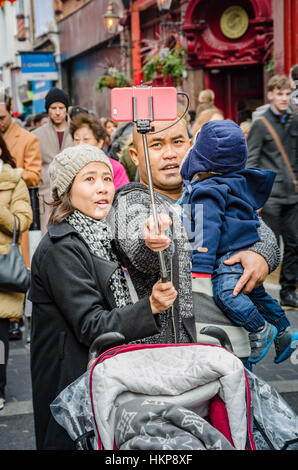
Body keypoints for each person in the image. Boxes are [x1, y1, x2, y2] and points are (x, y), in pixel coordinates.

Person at [29, 144, 177, 450]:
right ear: (65, 191)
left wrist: (151, 241)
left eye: (107, 179)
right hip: (68, 377)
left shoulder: (98, 232)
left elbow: (138, 253)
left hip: (97, 370)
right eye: (90, 179)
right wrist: (149, 306)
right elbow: (91, 325)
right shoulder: (62, 247)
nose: (102, 189)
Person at [113, 118, 281, 347]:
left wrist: (260, 255)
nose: (170, 153)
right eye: (156, 145)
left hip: (229, 343)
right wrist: (150, 241)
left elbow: (259, 229)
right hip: (165, 348)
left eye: (178, 141)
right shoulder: (130, 200)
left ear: (192, 146)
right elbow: (138, 251)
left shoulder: (216, 188)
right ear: (135, 155)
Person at [180, 119, 298, 364]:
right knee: (256, 294)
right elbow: (252, 220)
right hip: (240, 249)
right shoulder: (239, 182)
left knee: (228, 294)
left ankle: (260, 330)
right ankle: (284, 330)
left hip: (226, 256)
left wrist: (201, 266)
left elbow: (207, 228)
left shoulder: (205, 190)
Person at [247, 75, 298, 308]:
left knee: (295, 244)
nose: (284, 98)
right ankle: (260, 294)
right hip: (271, 197)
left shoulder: (294, 120)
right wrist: (255, 196)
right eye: (279, 94)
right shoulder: (261, 123)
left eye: (287, 94)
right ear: (270, 95)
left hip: (293, 194)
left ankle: (288, 291)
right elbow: (253, 160)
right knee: (271, 246)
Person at [1, 93, 41, 339]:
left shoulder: (27, 138)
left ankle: (16, 319)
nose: (0, 122)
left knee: (16, 272)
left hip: (20, 216)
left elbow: (34, 175)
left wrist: (11, 175)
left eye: (2, 117)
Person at [0, 134, 33, 410]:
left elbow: (21, 222)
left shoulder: (14, 181)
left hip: (2, 271)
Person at [33, 87, 73, 235]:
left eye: (61, 107)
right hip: (46, 194)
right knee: (47, 235)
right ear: (47, 110)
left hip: (72, 193)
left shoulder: (77, 132)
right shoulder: (36, 135)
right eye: (53, 108)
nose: (57, 112)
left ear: (66, 109)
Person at [69, 113, 130, 189]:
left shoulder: (115, 168)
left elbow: (122, 196)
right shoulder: (69, 167)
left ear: (100, 142)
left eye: (86, 139)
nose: (80, 144)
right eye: (77, 140)